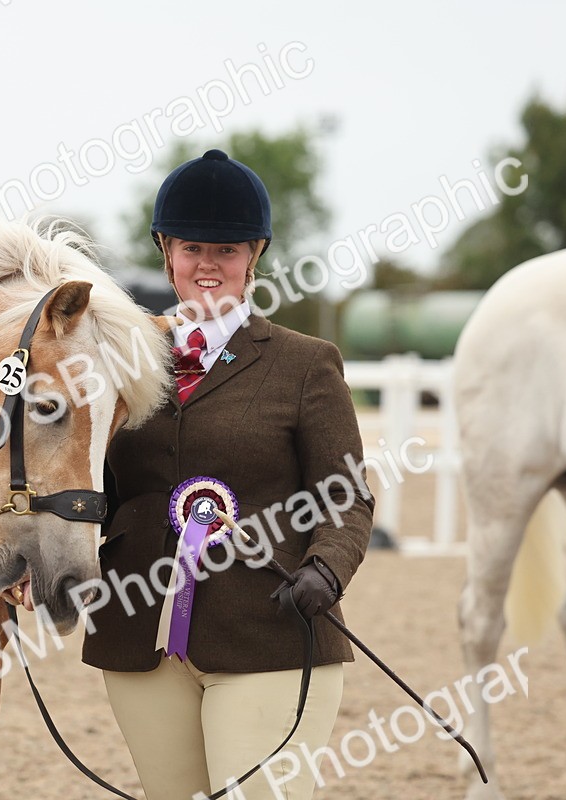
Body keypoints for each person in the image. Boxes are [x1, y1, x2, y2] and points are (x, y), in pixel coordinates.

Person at [81, 149, 374, 799]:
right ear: (166, 251)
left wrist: (327, 568)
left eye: (228, 250)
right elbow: (86, 481)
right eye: (192, 248)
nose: (208, 266)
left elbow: (346, 496)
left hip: (269, 630)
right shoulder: (119, 362)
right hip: (140, 633)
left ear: (255, 256)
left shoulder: (304, 364)